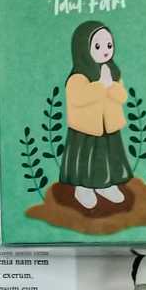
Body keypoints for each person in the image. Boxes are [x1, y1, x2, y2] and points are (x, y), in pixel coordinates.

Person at [58, 22, 132, 211]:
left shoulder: (113, 72)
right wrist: (100, 85)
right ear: (83, 48)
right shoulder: (78, 76)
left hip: (109, 127)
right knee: (87, 159)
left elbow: (122, 96)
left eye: (109, 45)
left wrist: (111, 85)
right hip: (87, 130)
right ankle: (83, 188)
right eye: (98, 46)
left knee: (107, 158)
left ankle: (105, 185)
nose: (105, 50)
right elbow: (78, 98)